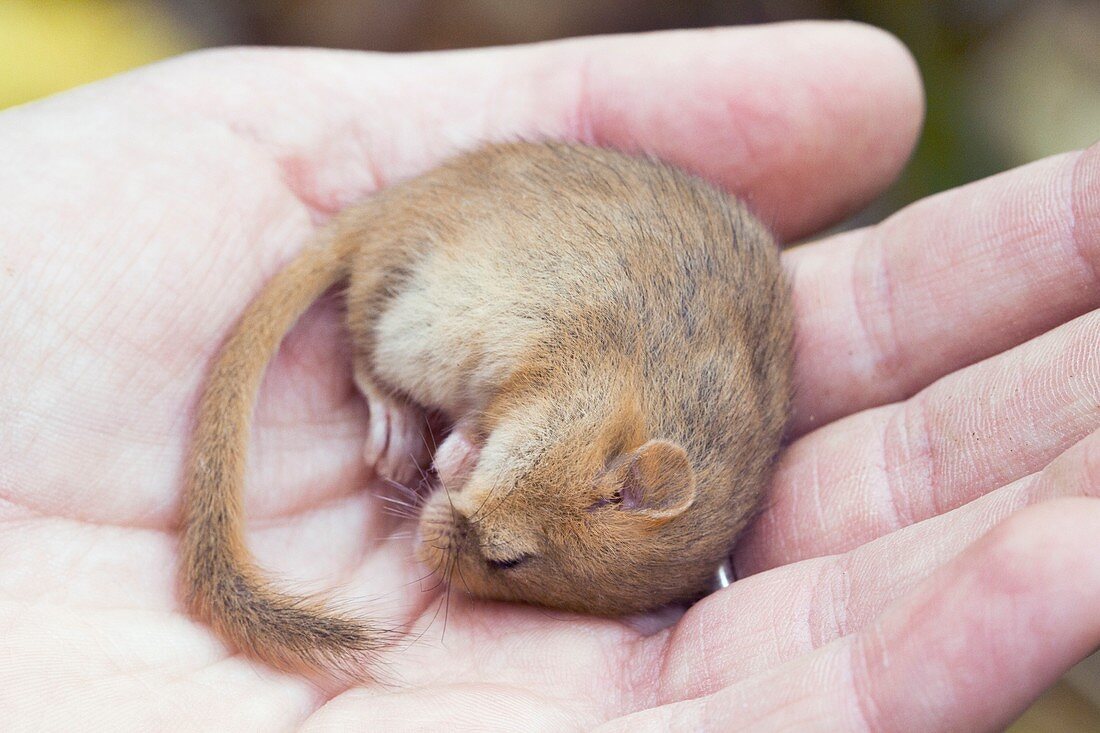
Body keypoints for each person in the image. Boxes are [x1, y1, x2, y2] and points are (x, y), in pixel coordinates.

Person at [2, 21, 1097, 730]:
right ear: (625, 482)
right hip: (500, 250)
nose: (454, 546)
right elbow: (565, 376)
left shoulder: (632, 469)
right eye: (506, 551)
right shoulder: (609, 433)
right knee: (474, 338)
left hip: (557, 267)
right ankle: (388, 354)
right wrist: (460, 424)